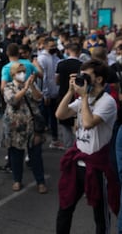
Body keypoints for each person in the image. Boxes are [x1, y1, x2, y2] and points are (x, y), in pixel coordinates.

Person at [55, 59, 119, 234]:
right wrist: (70, 91)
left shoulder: (107, 102)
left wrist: (83, 97)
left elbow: (89, 122)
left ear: (99, 79)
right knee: (65, 208)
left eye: (86, 76)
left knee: (100, 216)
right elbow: (60, 114)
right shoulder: (86, 98)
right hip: (78, 163)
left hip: (98, 167)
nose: (82, 79)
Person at [3, 62, 47, 193]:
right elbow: (12, 100)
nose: (22, 74)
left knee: (36, 156)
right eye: (19, 71)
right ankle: (17, 180)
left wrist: (31, 86)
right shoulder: (8, 87)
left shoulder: (30, 86)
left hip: (32, 127)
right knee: (16, 156)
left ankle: (40, 181)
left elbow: (39, 98)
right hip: (15, 128)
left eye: (24, 71)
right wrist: (24, 88)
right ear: (13, 74)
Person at [55, 43, 82, 149]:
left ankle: (68, 146)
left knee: (64, 123)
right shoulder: (82, 65)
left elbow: (56, 80)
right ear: (79, 52)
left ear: (68, 51)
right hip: (78, 95)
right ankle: (78, 145)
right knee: (77, 120)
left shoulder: (61, 64)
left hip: (63, 95)